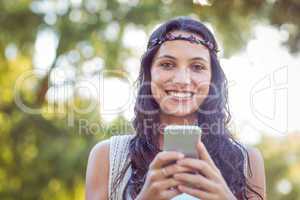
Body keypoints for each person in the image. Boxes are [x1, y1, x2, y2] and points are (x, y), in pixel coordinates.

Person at [85, 16, 266, 200]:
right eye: (167, 64)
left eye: (197, 66)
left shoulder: (247, 161)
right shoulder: (108, 156)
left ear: (213, 78)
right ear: (149, 74)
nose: (182, 79)